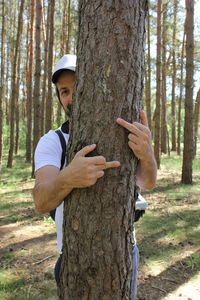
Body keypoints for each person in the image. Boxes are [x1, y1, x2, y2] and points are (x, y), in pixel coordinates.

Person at [32, 54, 157, 299]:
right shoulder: (52, 142)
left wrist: (147, 152)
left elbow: (148, 182)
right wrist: (68, 177)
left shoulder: (122, 130)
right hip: (73, 259)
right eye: (64, 91)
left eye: (77, 86)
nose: (71, 97)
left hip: (125, 254)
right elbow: (41, 201)